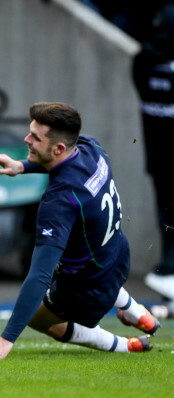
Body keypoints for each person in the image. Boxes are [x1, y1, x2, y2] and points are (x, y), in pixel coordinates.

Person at [0, 102, 159, 361]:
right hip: (117, 254)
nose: (26, 139)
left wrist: (6, 340)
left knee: (37, 319)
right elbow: (60, 161)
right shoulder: (90, 147)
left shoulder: (59, 201)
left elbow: (40, 275)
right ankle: (137, 312)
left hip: (88, 288)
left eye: (35, 138)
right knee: (85, 249)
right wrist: (22, 166)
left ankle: (126, 346)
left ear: (58, 147)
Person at [130, 2, 174, 316]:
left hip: (158, 159)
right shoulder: (147, 64)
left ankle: (169, 276)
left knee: (167, 221)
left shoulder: (143, 63)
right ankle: (170, 280)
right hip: (162, 159)